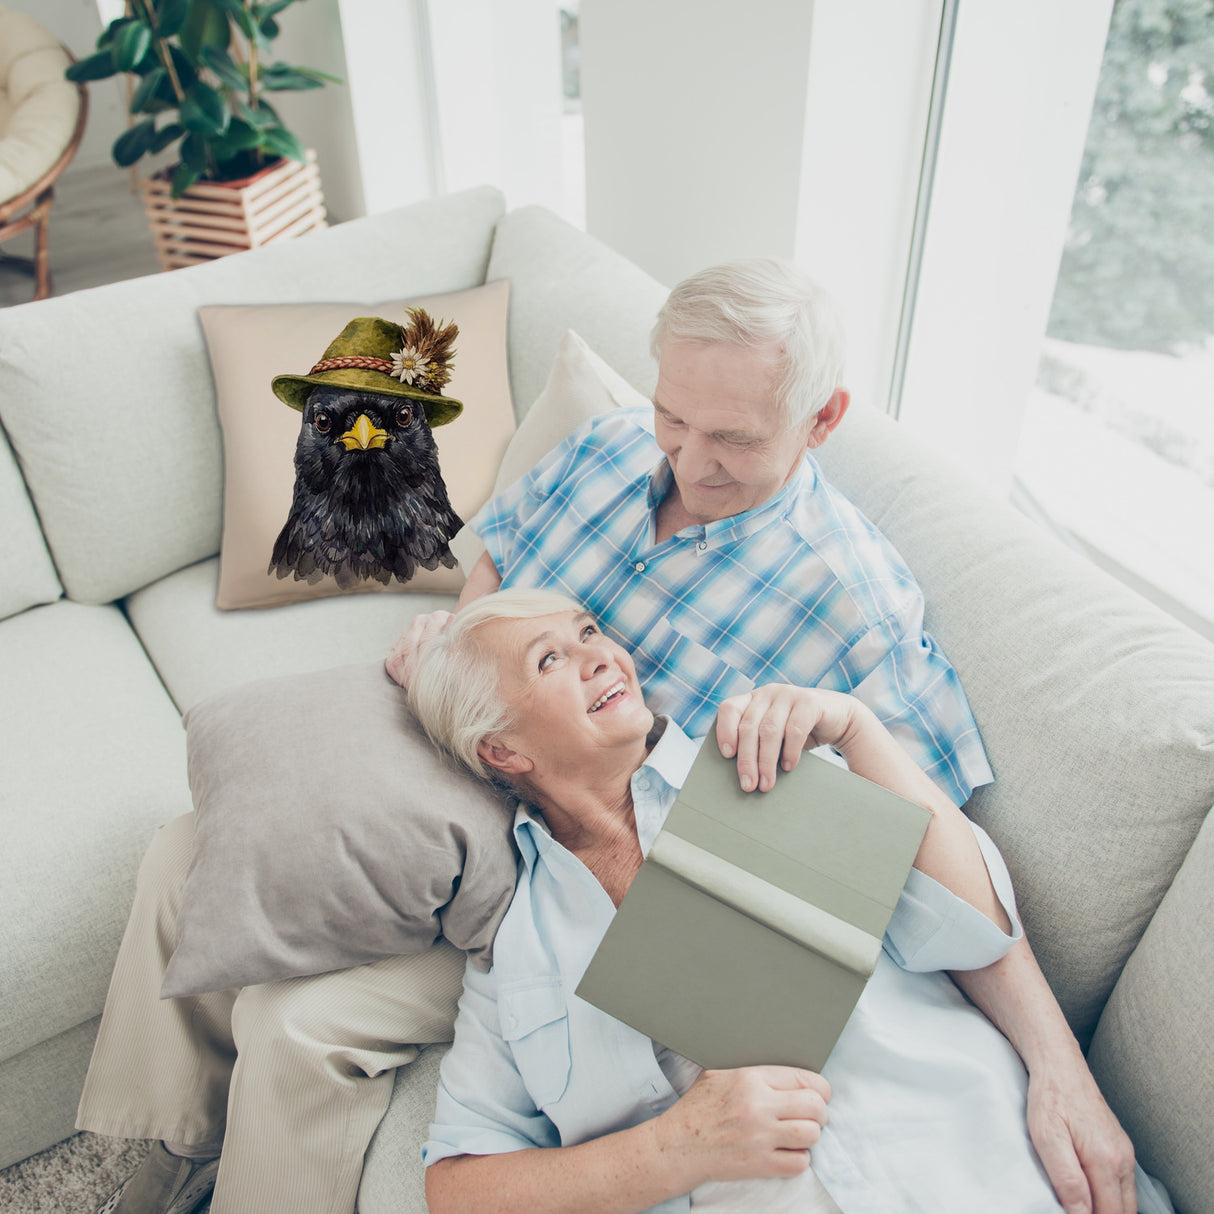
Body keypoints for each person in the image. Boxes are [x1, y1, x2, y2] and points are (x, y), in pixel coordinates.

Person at [79, 260, 1131, 1214]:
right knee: (193, 846)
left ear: (820, 420)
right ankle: (159, 1151)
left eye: (732, 438)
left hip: (579, 852)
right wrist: (458, 645)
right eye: (674, 415)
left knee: (300, 1024)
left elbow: (927, 856)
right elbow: (500, 565)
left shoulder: (853, 607)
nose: (687, 457)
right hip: (488, 747)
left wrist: (1057, 1063)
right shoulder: (608, 447)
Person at [406, 588, 1156, 1214]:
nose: (601, 654)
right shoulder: (516, 952)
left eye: (589, 632)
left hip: (989, 1166)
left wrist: (858, 729)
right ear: (502, 751)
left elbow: (972, 929)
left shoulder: (761, 761)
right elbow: (458, 1186)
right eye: (549, 659)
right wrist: (673, 1149)